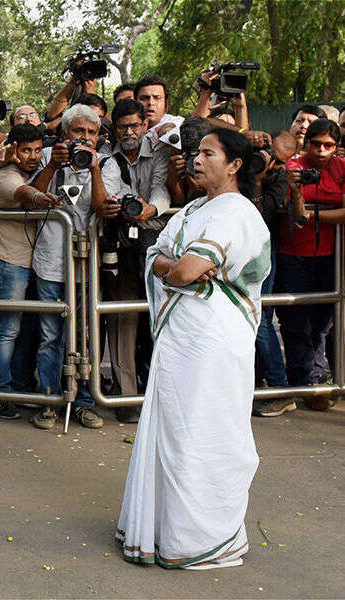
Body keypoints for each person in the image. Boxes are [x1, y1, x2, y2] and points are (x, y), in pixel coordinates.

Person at [117, 128, 270, 569]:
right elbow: (158, 258)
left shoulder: (237, 212)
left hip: (214, 341)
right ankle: (165, 532)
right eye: (196, 152)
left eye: (208, 153)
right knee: (173, 431)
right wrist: (177, 268)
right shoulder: (191, 210)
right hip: (181, 338)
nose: (196, 160)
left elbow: (182, 269)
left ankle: (203, 538)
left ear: (234, 165)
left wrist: (177, 268)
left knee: (206, 431)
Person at [30, 104, 108, 429]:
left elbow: (102, 207)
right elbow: (31, 195)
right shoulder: (48, 156)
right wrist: (53, 164)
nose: (85, 138)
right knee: (50, 337)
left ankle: (84, 403)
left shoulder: (104, 162)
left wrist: (95, 169)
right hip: (50, 262)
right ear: (65, 133)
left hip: (86, 266)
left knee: (85, 336)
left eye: (91, 132)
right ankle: (49, 401)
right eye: (79, 131)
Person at [98, 99, 171, 423]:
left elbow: (161, 189)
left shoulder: (160, 152)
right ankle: (127, 400)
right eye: (123, 127)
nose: (129, 132)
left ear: (144, 126)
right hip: (121, 246)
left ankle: (165, 399)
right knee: (123, 321)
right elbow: (111, 191)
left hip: (159, 245)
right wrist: (127, 205)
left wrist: (150, 209)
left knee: (165, 320)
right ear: (114, 129)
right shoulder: (105, 156)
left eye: (134, 126)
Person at [277, 119, 345, 412]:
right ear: (307, 144)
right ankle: (304, 382)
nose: (321, 151)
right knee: (295, 322)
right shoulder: (293, 166)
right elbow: (293, 212)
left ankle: (316, 378)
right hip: (293, 253)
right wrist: (296, 190)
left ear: (336, 146)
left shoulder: (342, 168)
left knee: (322, 323)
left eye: (328, 145)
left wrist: (315, 216)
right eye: (316, 144)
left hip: (330, 255)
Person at [0, 123, 48, 420]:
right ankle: (1, 391)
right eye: (26, 150)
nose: (33, 156)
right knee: (8, 330)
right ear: (13, 150)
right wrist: (41, 197)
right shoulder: (6, 176)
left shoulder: (35, 171)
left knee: (28, 330)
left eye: (37, 150)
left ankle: (20, 384)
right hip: (9, 261)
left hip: (34, 262)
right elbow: (25, 193)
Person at [248, 131, 299, 417]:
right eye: (269, 154)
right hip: (238, 253)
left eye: (280, 161)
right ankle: (256, 384)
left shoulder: (279, 178)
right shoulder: (242, 162)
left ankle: (280, 389)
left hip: (262, 254)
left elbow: (259, 216)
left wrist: (258, 179)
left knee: (260, 319)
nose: (271, 163)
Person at [135, 75, 184, 149]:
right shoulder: (126, 129)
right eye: (144, 98)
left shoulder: (180, 123)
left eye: (157, 98)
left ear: (166, 103)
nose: (151, 103)